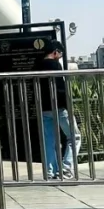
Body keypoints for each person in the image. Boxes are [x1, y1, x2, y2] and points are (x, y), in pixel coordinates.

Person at [39, 41, 81, 179]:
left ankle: (50, 172)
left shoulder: (37, 66)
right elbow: (60, 88)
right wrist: (68, 106)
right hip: (59, 107)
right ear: (55, 52)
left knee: (49, 142)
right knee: (74, 137)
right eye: (60, 54)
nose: (60, 57)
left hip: (43, 108)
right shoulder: (55, 65)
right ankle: (66, 168)